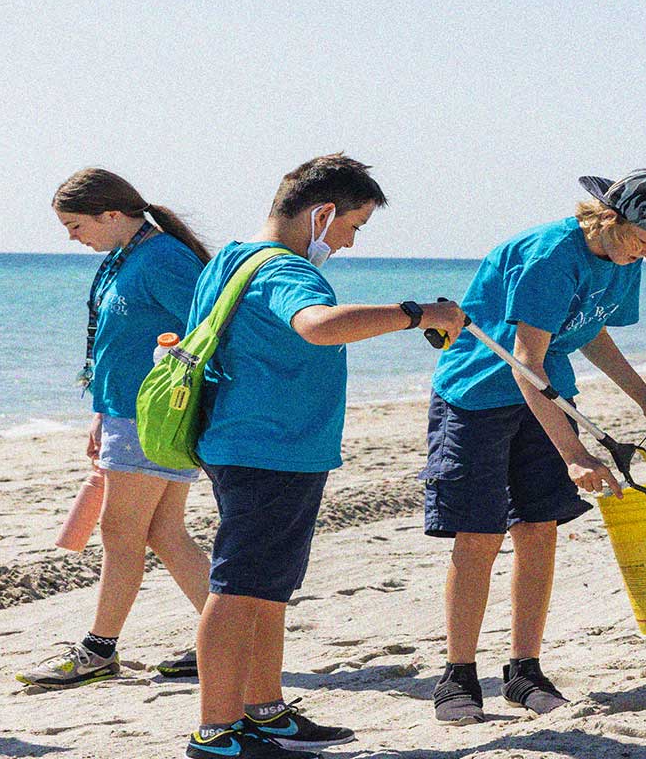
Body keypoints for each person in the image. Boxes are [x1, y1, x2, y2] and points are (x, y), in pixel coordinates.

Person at [183, 154, 464, 759]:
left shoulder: (230, 258)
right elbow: (317, 325)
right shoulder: (288, 269)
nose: (350, 241)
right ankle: (215, 732)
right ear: (323, 212)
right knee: (238, 587)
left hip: (247, 441)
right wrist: (417, 314)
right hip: (269, 448)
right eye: (353, 227)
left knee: (265, 586)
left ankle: (264, 710)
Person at [422, 170, 646, 725]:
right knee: (480, 535)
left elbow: (591, 330)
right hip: (479, 395)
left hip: (549, 393)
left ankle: (524, 671)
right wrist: (574, 454)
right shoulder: (550, 257)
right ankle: (458, 676)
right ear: (610, 217)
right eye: (644, 241)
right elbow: (526, 363)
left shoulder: (624, 259)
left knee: (539, 529)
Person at [15, 169, 214, 689]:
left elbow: (212, 327)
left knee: (120, 533)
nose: (72, 237)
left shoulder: (163, 257)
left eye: (75, 225)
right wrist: (102, 414)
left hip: (151, 415)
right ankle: (228, 635)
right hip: (125, 413)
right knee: (165, 533)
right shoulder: (124, 257)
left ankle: (98, 651)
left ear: (111, 214)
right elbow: (113, 345)